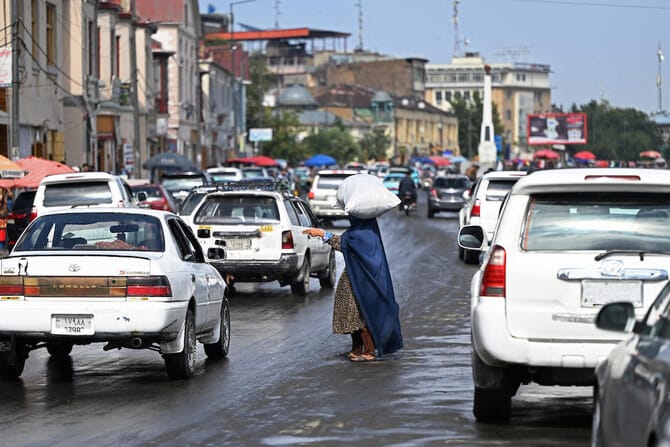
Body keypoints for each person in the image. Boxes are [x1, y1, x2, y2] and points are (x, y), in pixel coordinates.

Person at [303, 218, 403, 362]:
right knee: (353, 313)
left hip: (362, 280)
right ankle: (356, 349)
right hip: (357, 277)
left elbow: (344, 244)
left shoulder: (361, 234)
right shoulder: (365, 231)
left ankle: (369, 350)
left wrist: (322, 234)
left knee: (362, 315)